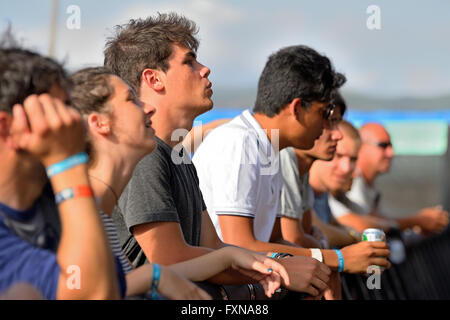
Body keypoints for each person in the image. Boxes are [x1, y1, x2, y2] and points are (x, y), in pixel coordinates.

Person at [105, 13, 331, 299]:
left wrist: (280, 264)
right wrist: (276, 270)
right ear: (154, 79)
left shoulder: (178, 155)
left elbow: (213, 246)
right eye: (189, 62)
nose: (205, 69)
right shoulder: (146, 155)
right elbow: (169, 260)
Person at [70, 66, 289, 299]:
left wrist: (231, 258)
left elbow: (136, 279)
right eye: (130, 100)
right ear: (100, 123)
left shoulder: (98, 214)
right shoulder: (78, 215)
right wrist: (154, 277)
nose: (148, 107)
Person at [193, 43, 391, 292]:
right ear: (297, 108)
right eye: (324, 113)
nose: (333, 131)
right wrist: (338, 260)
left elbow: (275, 241)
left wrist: (325, 264)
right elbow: (238, 244)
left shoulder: (270, 146)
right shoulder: (240, 142)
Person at [0, 46, 120, 299]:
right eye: (60, 109)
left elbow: (115, 282)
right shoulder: (67, 185)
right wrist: (66, 162)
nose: (74, 122)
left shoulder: (53, 201)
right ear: (6, 127)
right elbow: (93, 294)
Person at [328, 122, 449, 234]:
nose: (391, 153)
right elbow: (362, 224)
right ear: (362, 148)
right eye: (383, 145)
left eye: (391, 146)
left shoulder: (363, 184)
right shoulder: (349, 180)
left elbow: (375, 221)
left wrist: (416, 226)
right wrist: (416, 221)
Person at [279, 92, 360, 250]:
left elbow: (308, 233)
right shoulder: (284, 158)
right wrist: (342, 256)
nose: (337, 135)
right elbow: (294, 240)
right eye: (328, 121)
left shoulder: (303, 172)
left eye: (353, 159)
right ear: (298, 114)